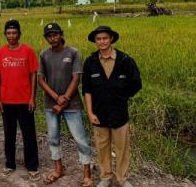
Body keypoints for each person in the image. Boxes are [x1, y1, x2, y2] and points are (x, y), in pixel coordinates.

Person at [82, 26, 142, 187]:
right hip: (98, 113)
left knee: (122, 147)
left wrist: (122, 97)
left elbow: (136, 84)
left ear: (111, 39)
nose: (102, 41)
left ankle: (122, 178)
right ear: (95, 42)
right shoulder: (90, 62)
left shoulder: (125, 60)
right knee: (102, 147)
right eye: (98, 39)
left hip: (119, 113)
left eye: (105, 38)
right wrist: (90, 112)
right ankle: (106, 177)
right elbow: (86, 90)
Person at [38, 22, 93, 186]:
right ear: (46, 38)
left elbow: (77, 78)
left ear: (61, 34)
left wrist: (64, 100)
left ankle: (87, 175)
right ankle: (58, 169)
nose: (52, 38)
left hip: (72, 105)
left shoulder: (73, 52)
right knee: (53, 138)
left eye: (55, 34)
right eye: (49, 35)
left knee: (80, 139)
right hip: (51, 104)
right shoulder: (44, 55)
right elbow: (41, 79)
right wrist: (56, 97)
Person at [0, 19, 40, 180]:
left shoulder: (28, 51)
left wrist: (32, 98)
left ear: (19, 34)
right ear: (5, 34)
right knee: (9, 134)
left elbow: (33, 75)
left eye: (14, 32)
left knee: (29, 134)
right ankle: (9, 163)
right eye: (8, 33)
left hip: (25, 100)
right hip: (6, 101)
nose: (11, 36)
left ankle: (32, 165)